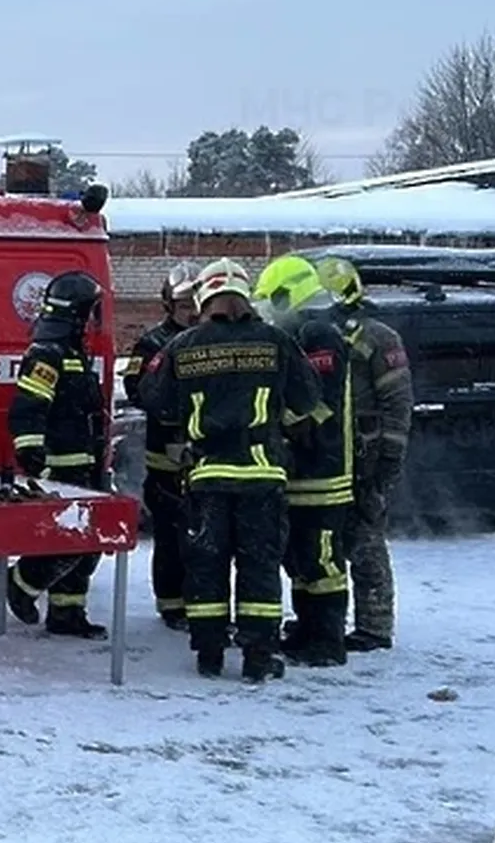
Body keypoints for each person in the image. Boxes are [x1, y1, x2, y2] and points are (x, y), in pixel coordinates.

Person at [138, 258, 323, 682]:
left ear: (203, 297)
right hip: (262, 475)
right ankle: (258, 656)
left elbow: (155, 400)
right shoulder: (276, 341)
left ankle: (209, 654)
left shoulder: (181, 346)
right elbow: (308, 398)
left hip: (207, 476)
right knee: (259, 566)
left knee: (207, 563)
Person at [254, 255, 354, 667]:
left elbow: (316, 403)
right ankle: (307, 627)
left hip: (323, 471)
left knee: (323, 559)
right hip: (299, 470)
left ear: (286, 294)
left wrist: (274, 422)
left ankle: (328, 640)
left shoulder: (319, 334)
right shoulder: (300, 333)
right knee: (300, 559)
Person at [313, 256, 413, 652]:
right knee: (327, 544)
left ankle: (374, 626)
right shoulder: (320, 333)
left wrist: (387, 459)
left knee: (365, 541)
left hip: (366, 457)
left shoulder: (378, 337)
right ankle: (328, 620)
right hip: (329, 457)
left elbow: (398, 401)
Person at [4, 270, 110, 638]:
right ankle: (20, 583)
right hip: (61, 467)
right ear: (77, 313)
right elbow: (28, 406)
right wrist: (32, 451)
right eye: (90, 311)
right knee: (69, 542)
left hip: (86, 463)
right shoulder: (48, 353)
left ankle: (67, 614)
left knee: (88, 546)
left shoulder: (70, 351)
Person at [122, 262, 199, 630]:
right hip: (166, 457)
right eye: (185, 305)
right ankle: (171, 604)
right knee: (170, 534)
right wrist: (172, 405)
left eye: (197, 303)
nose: (193, 312)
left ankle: (202, 601)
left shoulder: (214, 339)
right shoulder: (153, 342)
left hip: (207, 455)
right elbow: (135, 388)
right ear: (169, 305)